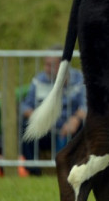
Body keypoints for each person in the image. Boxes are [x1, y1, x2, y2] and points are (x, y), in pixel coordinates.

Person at [20, 46, 87, 175]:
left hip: (70, 129)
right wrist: (39, 118)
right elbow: (25, 106)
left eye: (51, 65)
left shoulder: (79, 80)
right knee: (25, 126)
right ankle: (34, 172)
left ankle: (75, 171)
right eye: (45, 65)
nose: (46, 69)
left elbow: (87, 105)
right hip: (46, 129)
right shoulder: (39, 80)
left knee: (86, 126)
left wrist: (76, 119)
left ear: (64, 66)